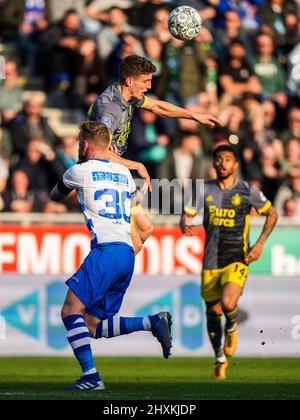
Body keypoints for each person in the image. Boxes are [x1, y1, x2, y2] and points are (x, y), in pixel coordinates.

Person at [50, 121, 172, 391]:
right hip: (127, 253)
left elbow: (55, 196)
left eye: (78, 144)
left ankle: (92, 378)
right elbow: (138, 215)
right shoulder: (123, 174)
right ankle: (152, 322)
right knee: (91, 324)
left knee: (70, 310)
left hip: (105, 250)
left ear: (84, 145)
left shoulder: (78, 171)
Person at [88, 54, 222, 248]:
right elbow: (98, 153)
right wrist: (137, 165)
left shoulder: (129, 98)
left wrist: (194, 115)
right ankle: (94, 277)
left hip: (116, 172)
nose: (149, 87)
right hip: (101, 178)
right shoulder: (108, 109)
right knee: (127, 244)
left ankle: (107, 274)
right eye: (146, 81)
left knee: (145, 230)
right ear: (129, 80)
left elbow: (158, 106)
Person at [180, 144, 278, 380]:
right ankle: (219, 358)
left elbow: (272, 214)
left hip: (237, 257)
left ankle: (232, 326)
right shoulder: (203, 190)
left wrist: (260, 243)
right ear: (213, 163)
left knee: (227, 302)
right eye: (218, 159)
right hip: (210, 260)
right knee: (212, 312)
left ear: (235, 164)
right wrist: (184, 223)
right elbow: (186, 215)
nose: (222, 163)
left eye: (227, 160)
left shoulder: (247, 190)